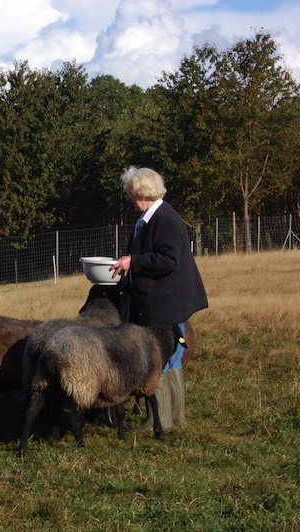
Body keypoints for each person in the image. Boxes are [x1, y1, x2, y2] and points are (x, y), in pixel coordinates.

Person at [110, 166, 208, 431]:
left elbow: (168, 259)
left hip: (164, 299)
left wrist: (134, 262)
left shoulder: (164, 219)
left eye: (130, 192)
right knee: (173, 357)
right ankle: (177, 418)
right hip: (166, 297)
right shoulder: (154, 216)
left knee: (159, 357)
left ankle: (159, 420)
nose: (128, 197)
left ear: (141, 192)